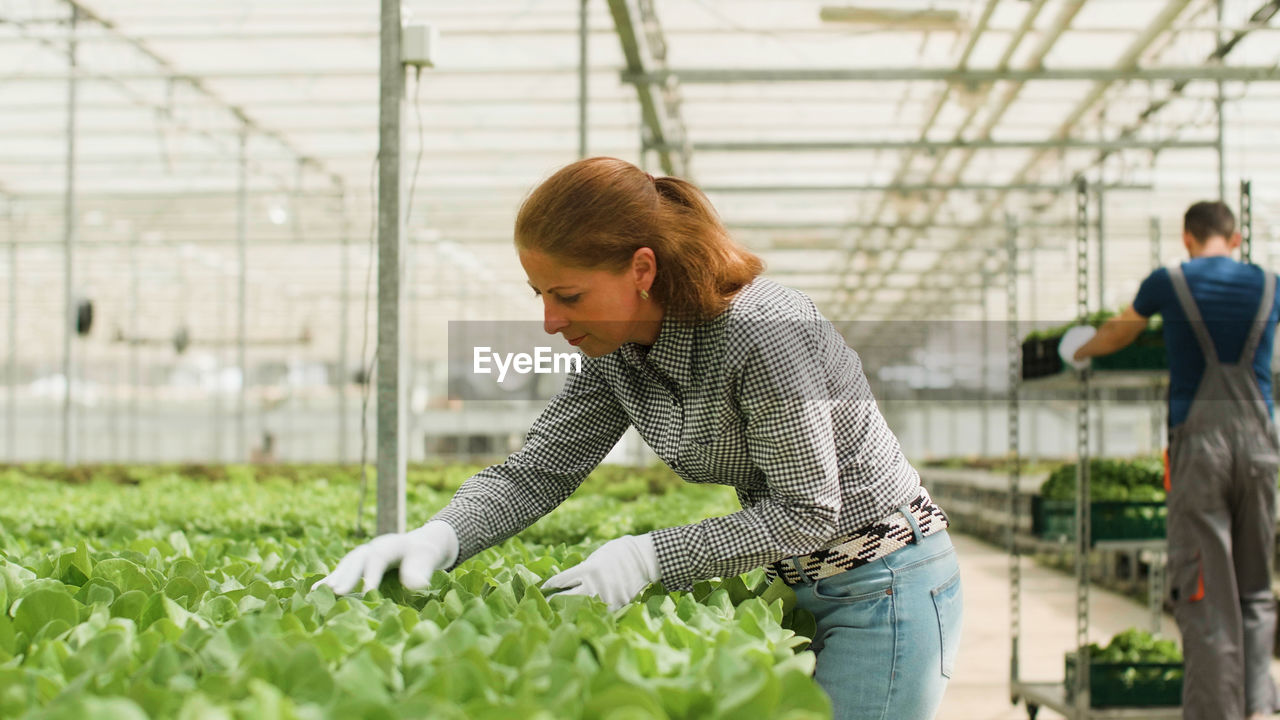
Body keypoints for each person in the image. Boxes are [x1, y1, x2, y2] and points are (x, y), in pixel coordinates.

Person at [313, 157, 963, 720]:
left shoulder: (762, 333)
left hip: (887, 582)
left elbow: (806, 509)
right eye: (540, 293)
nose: (549, 321)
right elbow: (538, 470)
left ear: (642, 269)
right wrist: (441, 535)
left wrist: (644, 559)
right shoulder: (618, 351)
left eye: (568, 294)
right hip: (799, 579)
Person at [1072, 201, 1279, 720]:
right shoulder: (1271, 285)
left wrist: (1078, 349)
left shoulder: (1169, 282)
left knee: (1206, 592)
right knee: (1255, 591)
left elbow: (1122, 331)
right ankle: (1258, 710)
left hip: (1201, 450)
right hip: (1261, 448)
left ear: (1187, 238)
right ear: (1235, 240)